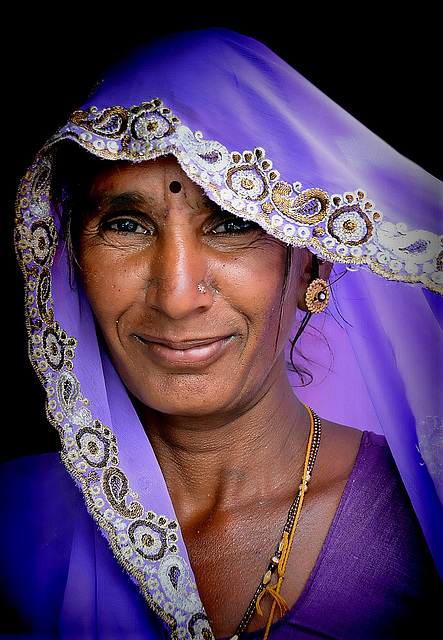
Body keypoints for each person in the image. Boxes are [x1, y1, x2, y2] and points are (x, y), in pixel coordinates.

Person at [1, 28, 442, 639]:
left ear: (312, 261)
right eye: (127, 225)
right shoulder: (17, 530)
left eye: (232, 222)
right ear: (71, 256)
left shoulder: (423, 522)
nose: (178, 296)